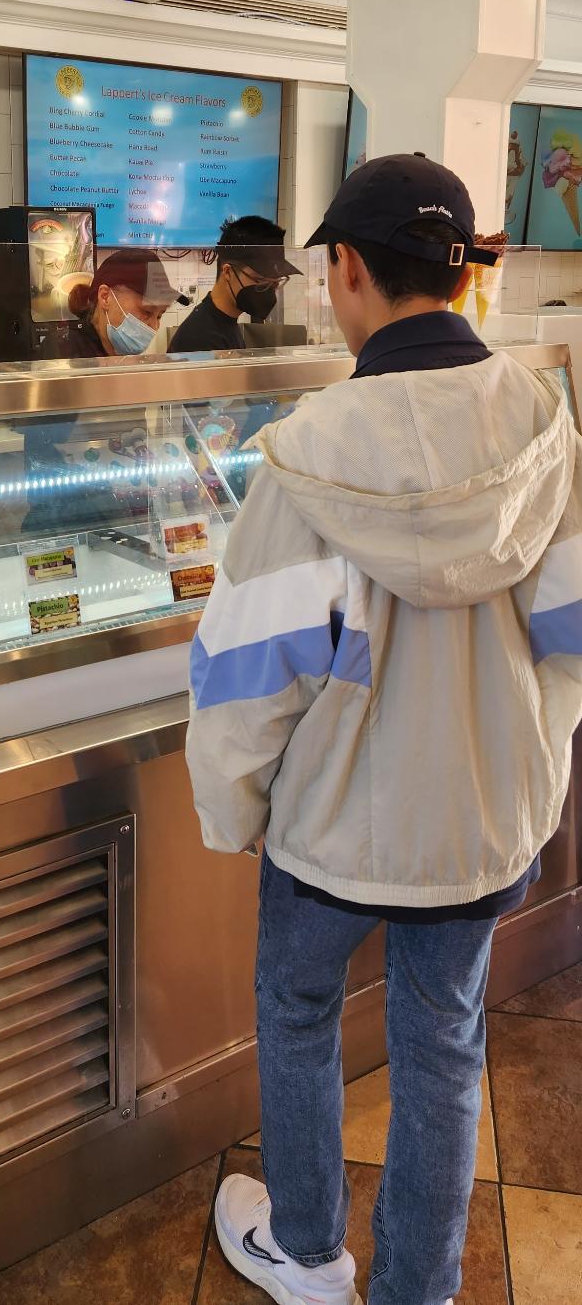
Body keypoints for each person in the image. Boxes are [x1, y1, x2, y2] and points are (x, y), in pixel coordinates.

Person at [186, 154, 582, 1305]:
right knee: (442, 1047)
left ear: (349, 268)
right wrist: (527, 769)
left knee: (297, 1015)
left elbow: (251, 676)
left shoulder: (305, 453)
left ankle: (308, 1256)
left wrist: (231, 810)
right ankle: (417, 1288)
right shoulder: (544, 426)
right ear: (456, 274)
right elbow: (569, 640)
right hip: (480, 826)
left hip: (326, 830)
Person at [169, 216, 301, 353]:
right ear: (228, 272)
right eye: (260, 280)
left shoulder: (226, 322)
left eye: (275, 283)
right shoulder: (200, 339)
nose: (268, 292)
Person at [64, 248, 180, 357]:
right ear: (105, 297)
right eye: (147, 311)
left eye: (159, 316)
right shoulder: (67, 353)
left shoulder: (121, 357)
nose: (154, 327)